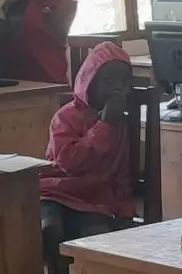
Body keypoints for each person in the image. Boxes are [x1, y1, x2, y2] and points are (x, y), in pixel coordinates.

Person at [39, 42, 134, 261]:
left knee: (96, 233)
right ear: (89, 82)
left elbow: (122, 171)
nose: (119, 88)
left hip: (95, 200)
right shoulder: (65, 117)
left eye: (124, 82)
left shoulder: (120, 125)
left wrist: (125, 210)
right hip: (57, 192)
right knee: (49, 220)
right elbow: (68, 162)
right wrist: (104, 126)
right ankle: (52, 262)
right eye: (109, 81)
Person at [0, 0, 78, 84]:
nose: (15, 24)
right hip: (19, 88)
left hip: (51, 88)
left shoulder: (49, 31)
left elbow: (70, 3)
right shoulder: (11, 38)